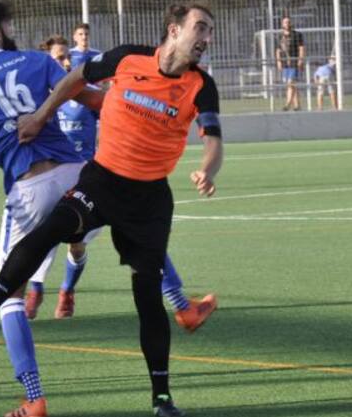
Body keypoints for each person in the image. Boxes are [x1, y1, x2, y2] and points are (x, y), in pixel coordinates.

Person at [0, 2, 223, 417]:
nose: (206, 38)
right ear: (174, 30)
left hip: (145, 200)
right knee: (56, 228)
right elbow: (78, 80)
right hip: (98, 178)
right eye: (200, 28)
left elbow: (213, 139)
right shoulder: (125, 58)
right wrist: (42, 115)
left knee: (144, 295)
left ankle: (160, 397)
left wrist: (208, 168)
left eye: (209, 31)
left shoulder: (201, 85)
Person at [0, 2, 95, 417]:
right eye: (7, 24)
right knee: (132, 226)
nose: (11, 29)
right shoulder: (36, 61)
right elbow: (90, 98)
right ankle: (179, 301)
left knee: (9, 293)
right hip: (76, 174)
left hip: (30, 190)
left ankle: (34, 397)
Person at [18, 35, 215, 322]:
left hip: (86, 176)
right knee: (141, 234)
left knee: (71, 243)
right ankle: (182, 307)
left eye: (67, 57)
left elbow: (114, 108)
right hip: (87, 179)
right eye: (59, 58)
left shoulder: (57, 96)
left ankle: (60, 293)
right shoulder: (62, 97)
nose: (66, 62)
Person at [275, 15, 305, 111]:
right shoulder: (279, 36)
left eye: (288, 22)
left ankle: (287, 104)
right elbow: (278, 50)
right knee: (291, 85)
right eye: (285, 22)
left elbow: (301, 48)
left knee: (290, 82)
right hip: (285, 63)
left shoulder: (297, 35)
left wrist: (300, 60)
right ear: (282, 24)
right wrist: (278, 62)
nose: (287, 24)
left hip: (294, 61)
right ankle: (297, 105)